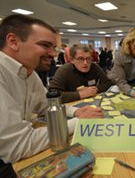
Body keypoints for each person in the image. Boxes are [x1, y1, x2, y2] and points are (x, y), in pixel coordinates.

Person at [0, 14, 103, 176]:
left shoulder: (29, 72)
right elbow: (18, 146)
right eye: (45, 45)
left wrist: (75, 112)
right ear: (13, 41)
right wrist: (79, 122)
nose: (54, 54)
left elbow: (45, 105)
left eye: (54, 48)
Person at [49, 44, 114, 103]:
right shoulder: (64, 70)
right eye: (80, 59)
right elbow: (52, 95)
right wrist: (81, 94)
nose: (85, 63)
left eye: (88, 58)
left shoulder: (94, 66)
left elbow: (108, 83)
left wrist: (95, 89)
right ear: (72, 60)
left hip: (91, 103)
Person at [108, 28, 135, 99]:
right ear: (129, 44)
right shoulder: (120, 55)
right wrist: (131, 92)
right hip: (118, 83)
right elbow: (120, 81)